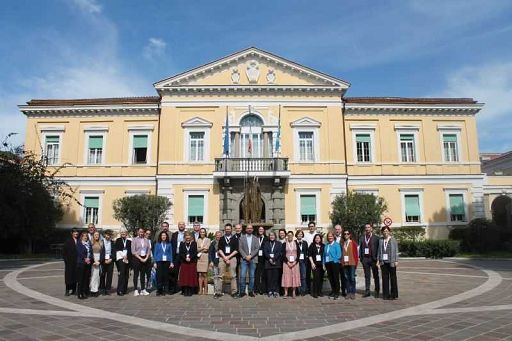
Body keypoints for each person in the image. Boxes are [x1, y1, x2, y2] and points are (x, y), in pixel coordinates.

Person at [217, 223, 239, 298]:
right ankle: (218, 292)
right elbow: (219, 249)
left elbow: (236, 250)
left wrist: (228, 257)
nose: (227, 230)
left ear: (231, 230)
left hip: (232, 258)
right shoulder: (222, 238)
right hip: (222, 258)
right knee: (220, 276)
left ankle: (234, 292)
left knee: (233, 276)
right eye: (226, 229)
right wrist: (225, 257)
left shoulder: (235, 238)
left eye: (229, 229)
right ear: (224, 230)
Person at [359, 223, 380, 298]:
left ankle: (377, 290)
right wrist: (361, 258)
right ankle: (367, 291)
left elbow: (379, 249)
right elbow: (360, 248)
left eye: (368, 227)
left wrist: (378, 259)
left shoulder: (376, 238)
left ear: (371, 229)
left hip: (373, 259)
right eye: (366, 227)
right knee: (367, 276)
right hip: (365, 259)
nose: (367, 229)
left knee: (375, 276)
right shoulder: (362, 238)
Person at [378, 226, 399, 300]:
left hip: (392, 261)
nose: (385, 232)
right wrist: (379, 260)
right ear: (382, 232)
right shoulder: (381, 240)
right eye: (384, 231)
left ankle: (394, 294)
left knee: (393, 278)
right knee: (384, 278)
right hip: (383, 262)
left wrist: (396, 260)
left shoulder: (393, 240)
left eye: (387, 231)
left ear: (389, 232)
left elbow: (396, 250)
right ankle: (386, 294)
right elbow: (379, 251)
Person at [238, 224, 259, 297]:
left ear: (252, 229)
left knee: (252, 276)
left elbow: (257, 248)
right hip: (244, 259)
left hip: (253, 259)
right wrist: (245, 256)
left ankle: (250, 291)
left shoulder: (256, 238)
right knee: (242, 276)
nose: (249, 229)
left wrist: (250, 255)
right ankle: (242, 292)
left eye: (251, 228)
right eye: (248, 228)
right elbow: (240, 248)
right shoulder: (242, 238)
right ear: (246, 229)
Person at [131, 227, 152, 296]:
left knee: (143, 274)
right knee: (136, 274)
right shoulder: (134, 240)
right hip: (137, 258)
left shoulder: (146, 240)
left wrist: (146, 258)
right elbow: (133, 251)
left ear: (144, 233)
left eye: (142, 232)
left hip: (144, 258)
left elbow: (148, 250)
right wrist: (140, 258)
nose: (141, 233)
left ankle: (143, 289)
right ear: (137, 232)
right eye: (140, 232)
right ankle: (136, 289)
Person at [153, 231, 174, 296]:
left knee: (165, 275)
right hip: (159, 261)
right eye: (162, 235)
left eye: (165, 235)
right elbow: (155, 253)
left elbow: (170, 253)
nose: (163, 236)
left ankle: (165, 289)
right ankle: (159, 290)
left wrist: (171, 262)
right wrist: (154, 262)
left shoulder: (169, 244)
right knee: (159, 276)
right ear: (160, 237)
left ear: (166, 236)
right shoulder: (157, 244)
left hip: (167, 261)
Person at [263, 231, 282, 298]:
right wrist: (270, 259)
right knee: (269, 278)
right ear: (269, 236)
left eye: (273, 235)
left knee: (276, 278)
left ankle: (275, 291)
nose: (271, 237)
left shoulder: (279, 243)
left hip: (276, 263)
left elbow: (279, 252)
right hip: (268, 263)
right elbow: (265, 252)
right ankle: (270, 291)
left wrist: (273, 259)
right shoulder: (266, 243)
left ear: (275, 236)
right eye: (270, 235)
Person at [281, 231, 300, 299]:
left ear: (293, 236)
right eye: (288, 235)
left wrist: (295, 261)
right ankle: (286, 292)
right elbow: (282, 254)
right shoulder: (284, 244)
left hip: (295, 263)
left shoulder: (296, 243)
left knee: (294, 276)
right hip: (286, 263)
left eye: (291, 235)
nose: (290, 237)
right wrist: (287, 262)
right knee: (286, 276)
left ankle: (293, 292)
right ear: (287, 236)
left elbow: (299, 253)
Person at [178, 232, 198, 296]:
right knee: (185, 276)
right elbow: (180, 253)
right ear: (185, 237)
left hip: (192, 262)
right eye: (186, 236)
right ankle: (185, 290)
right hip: (184, 262)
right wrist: (185, 258)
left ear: (191, 237)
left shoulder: (194, 243)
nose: (188, 237)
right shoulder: (182, 243)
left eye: (189, 235)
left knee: (191, 276)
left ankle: (190, 290)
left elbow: (195, 252)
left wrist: (190, 258)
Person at [341, 230, 359, 300]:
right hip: (345, 263)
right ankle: (348, 292)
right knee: (346, 278)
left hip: (352, 263)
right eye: (345, 234)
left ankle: (353, 292)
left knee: (352, 278)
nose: (346, 235)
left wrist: (356, 263)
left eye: (347, 234)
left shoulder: (353, 243)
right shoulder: (343, 243)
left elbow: (357, 254)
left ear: (350, 235)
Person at [324, 231, 341, 300]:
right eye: (329, 236)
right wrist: (324, 263)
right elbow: (324, 255)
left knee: (335, 278)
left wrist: (334, 260)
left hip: (335, 263)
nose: (330, 237)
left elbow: (339, 254)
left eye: (331, 236)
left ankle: (337, 292)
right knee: (330, 278)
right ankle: (333, 290)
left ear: (333, 237)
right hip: (328, 263)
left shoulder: (336, 244)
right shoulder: (326, 245)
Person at [170, 222, 186, 294]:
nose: (181, 226)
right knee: (174, 272)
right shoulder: (174, 234)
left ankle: (183, 289)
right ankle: (174, 289)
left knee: (184, 273)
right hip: (176, 255)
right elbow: (172, 246)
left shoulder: (187, 234)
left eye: (182, 225)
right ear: (178, 226)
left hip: (184, 256)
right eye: (180, 225)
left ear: (185, 226)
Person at [114, 227, 131, 296]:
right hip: (120, 258)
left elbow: (130, 250)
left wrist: (127, 256)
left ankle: (124, 289)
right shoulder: (118, 240)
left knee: (127, 274)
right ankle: (119, 290)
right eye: (122, 232)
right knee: (122, 274)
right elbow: (117, 249)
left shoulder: (129, 241)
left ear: (126, 233)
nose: (123, 233)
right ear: (120, 233)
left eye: (124, 232)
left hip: (127, 258)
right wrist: (123, 255)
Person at [76, 231, 92, 299]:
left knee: (86, 279)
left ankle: (84, 292)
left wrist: (89, 258)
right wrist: (85, 258)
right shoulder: (79, 244)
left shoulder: (88, 244)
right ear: (81, 237)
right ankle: (79, 293)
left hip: (88, 263)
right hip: (81, 263)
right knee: (81, 279)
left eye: (86, 236)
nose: (85, 237)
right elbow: (79, 253)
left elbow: (91, 252)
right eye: (84, 236)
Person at [63, 228, 79, 296]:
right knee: (69, 277)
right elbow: (64, 252)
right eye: (74, 232)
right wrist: (66, 260)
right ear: (72, 233)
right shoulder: (68, 241)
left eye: (77, 232)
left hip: (77, 261)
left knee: (75, 276)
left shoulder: (79, 241)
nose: (76, 233)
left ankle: (74, 290)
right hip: (69, 262)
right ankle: (67, 290)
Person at [308, 233, 324, 298]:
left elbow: (325, 255)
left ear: (320, 239)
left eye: (318, 238)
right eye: (316, 238)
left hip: (321, 264)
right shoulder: (312, 245)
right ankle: (315, 292)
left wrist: (324, 264)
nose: (317, 239)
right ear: (314, 239)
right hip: (315, 265)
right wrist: (312, 263)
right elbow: (309, 255)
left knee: (321, 278)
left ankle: (319, 291)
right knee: (316, 278)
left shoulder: (323, 245)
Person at [303, 221, 317, 295]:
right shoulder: (305, 235)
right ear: (308, 227)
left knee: (315, 274)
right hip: (308, 256)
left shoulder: (317, 235)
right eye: (310, 226)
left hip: (315, 257)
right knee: (307, 274)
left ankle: (315, 289)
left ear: (314, 227)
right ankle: (308, 289)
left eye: (312, 226)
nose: (311, 227)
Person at [99, 229, 115, 295]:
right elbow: (100, 252)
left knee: (109, 276)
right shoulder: (101, 242)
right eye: (107, 235)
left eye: (109, 235)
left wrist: (111, 259)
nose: (108, 236)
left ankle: (108, 289)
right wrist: (104, 260)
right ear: (104, 235)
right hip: (103, 261)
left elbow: (114, 252)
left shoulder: (112, 242)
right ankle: (102, 289)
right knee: (102, 275)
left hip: (110, 261)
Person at [334, 224, 347, 297]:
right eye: (336, 229)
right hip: (335, 261)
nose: (337, 230)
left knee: (343, 276)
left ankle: (343, 290)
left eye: (338, 229)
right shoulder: (332, 238)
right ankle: (336, 291)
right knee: (336, 276)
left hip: (342, 260)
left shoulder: (344, 238)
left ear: (341, 230)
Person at [196, 227, 211, 295]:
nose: (202, 233)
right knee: (200, 274)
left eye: (203, 232)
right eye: (201, 232)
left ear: (205, 233)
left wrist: (200, 248)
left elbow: (207, 249)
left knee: (205, 274)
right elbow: (197, 249)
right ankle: (200, 289)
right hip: (199, 258)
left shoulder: (208, 239)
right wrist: (202, 248)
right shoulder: (198, 240)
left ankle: (205, 289)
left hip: (205, 257)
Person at [209, 231, 223, 299]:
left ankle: (219, 291)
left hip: (221, 262)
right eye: (217, 235)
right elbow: (210, 252)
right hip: (215, 261)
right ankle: (216, 291)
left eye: (220, 235)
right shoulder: (213, 243)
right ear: (215, 236)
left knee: (220, 277)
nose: (218, 236)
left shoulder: (223, 242)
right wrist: (211, 261)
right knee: (215, 276)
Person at [254, 226, 267, 295]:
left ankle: (263, 289)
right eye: (259, 229)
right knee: (257, 274)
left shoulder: (267, 238)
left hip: (264, 259)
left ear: (264, 230)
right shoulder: (255, 238)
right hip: (257, 258)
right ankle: (256, 289)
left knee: (264, 275)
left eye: (262, 229)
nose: (261, 230)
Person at [89, 231, 102, 297]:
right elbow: (89, 252)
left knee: (97, 276)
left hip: (98, 260)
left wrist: (99, 261)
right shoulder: (90, 243)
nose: (96, 236)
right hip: (92, 259)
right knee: (92, 275)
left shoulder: (101, 243)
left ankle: (96, 289)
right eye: (95, 235)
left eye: (98, 235)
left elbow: (102, 253)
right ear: (93, 236)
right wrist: (93, 261)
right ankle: (91, 289)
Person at [295, 230, 308, 296]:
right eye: (298, 234)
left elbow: (306, 252)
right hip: (296, 262)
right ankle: (297, 290)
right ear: (296, 235)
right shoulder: (294, 242)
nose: (300, 235)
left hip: (303, 262)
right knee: (297, 276)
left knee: (303, 276)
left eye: (301, 234)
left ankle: (303, 290)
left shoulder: (305, 243)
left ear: (302, 235)